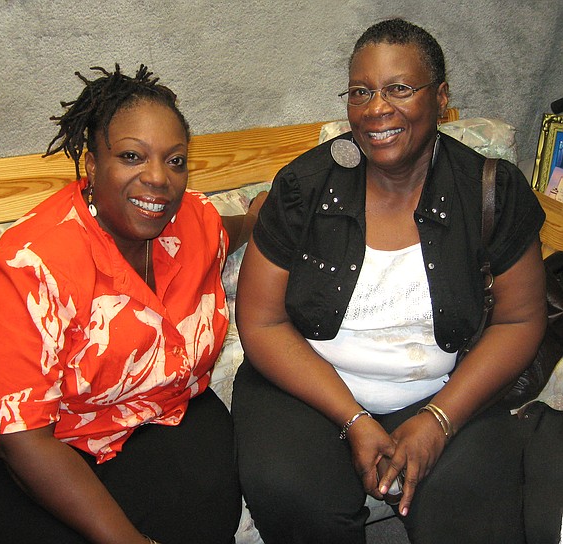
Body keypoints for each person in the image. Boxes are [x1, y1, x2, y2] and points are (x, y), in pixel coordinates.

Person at [0, 63, 264, 544]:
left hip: (133, 414)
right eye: (133, 156)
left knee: (207, 510)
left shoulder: (192, 221)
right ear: (92, 166)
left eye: (175, 160)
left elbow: (227, 231)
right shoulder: (24, 271)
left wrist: (261, 215)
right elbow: (19, 442)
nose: (159, 178)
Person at [231, 18, 549, 544]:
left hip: (443, 390)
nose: (377, 108)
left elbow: (520, 318)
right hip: (306, 387)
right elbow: (261, 322)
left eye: (400, 88)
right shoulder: (304, 188)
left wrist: (438, 421)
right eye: (361, 91)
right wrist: (354, 420)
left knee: (468, 509)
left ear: (441, 97)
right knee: (295, 493)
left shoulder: (491, 190)